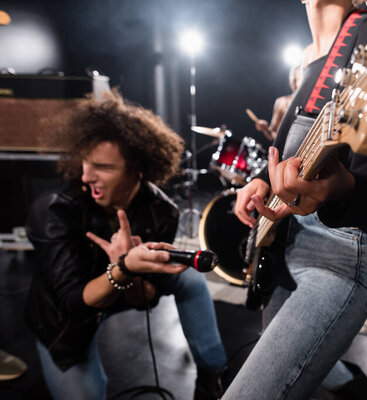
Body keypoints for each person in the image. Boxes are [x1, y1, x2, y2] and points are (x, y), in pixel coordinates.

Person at [228, 0, 367, 399]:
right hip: (286, 244)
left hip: (343, 254)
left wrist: (346, 187)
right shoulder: (311, 57)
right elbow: (292, 151)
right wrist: (260, 180)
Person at [25, 90, 227, 400]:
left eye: (102, 167)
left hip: (118, 285)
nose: (85, 175)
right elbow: (74, 303)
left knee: (189, 277)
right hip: (66, 318)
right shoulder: (54, 211)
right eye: (85, 162)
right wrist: (123, 268)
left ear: (137, 169)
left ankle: (212, 371)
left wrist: (127, 270)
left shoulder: (161, 211)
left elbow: (143, 300)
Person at [254, 64, 303, 141]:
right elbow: (273, 134)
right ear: (294, 81)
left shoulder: (312, 106)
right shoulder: (282, 102)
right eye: (301, 78)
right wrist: (265, 128)